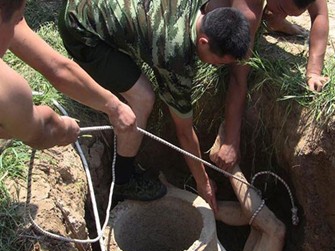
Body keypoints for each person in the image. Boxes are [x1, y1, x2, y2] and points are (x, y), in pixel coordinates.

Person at [58, 0, 251, 211]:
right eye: (218, 61)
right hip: (79, 28)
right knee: (143, 98)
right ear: (203, 42)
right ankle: (123, 180)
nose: (216, 67)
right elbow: (184, 132)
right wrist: (203, 182)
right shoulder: (176, 56)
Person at [0, 0, 137, 151]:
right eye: (16, 20)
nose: (15, 29)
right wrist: (64, 128)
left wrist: (114, 107)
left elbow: (56, 67)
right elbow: (41, 131)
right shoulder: (8, 91)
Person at [209, 0, 329, 171]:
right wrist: (230, 141)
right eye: (281, 9)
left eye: (290, 13)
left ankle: (277, 22)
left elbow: (320, 14)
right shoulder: (248, 12)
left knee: (272, 16)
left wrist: (314, 71)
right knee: (219, 27)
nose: (283, 13)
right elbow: (237, 78)